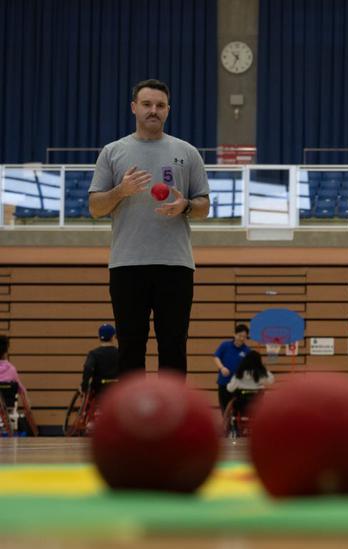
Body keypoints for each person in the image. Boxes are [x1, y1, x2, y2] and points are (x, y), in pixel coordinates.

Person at [88, 79, 211, 377]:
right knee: (130, 348)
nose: (153, 110)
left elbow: (204, 207)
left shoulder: (188, 152)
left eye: (160, 105)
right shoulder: (112, 152)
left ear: (168, 110)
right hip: (127, 264)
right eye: (147, 104)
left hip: (176, 265)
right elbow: (95, 208)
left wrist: (185, 207)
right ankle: (134, 421)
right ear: (134, 108)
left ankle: (173, 420)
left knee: (173, 347)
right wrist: (121, 191)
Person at [214, 324, 251, 413]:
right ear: (234, 335)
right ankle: (226, 426)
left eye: (244, 337)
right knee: (225, 409)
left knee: (237, 410)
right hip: (224, 383)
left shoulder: (247, 350)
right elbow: (216, 357)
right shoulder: (225, 345)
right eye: (240, 336)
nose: (242, 338)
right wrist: (222, 368)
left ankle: (235, 426)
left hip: (238, 385)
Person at [225, 350, 274, 416]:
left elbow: (230, 388)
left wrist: (228, 385)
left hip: (241, 404)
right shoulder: (262, 373)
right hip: (258, 403)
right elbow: (271, 380)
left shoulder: (240, 373)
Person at [81, 324, 119, 395]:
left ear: (99, 337)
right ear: (113, 337)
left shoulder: (94, 354)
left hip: (99, 389)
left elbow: (88, 368)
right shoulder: (119, 353)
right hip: (117, 389)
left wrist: (84, 386)